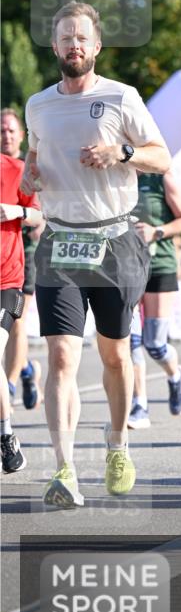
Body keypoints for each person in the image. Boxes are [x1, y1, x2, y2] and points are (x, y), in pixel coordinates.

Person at [21, 0, 170, 508]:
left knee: (114, 355)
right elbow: (35, 157)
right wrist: (28, 173)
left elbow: (161, 156)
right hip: (60, 240)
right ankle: (63, 469)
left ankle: (117, 444)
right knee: (62, 354)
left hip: (114, 241)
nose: (73, 45)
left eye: (82, 37)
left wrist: (121, 153)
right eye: (65, 37)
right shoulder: (38, 105)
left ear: (96, 46)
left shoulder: (121, 97)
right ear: (55, 45)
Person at [127, 171, 181, 430]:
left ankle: (175, 375)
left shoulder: (161, 178)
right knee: (129, 340)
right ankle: (138, 405)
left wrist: (157, 231)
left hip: (159, 265)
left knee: (154, 343)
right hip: (125, 267)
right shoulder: (114, 177)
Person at [1, 153, 42, 472]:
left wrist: (16, 211)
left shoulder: (15, 170)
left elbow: (40, 216)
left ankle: (6, 436)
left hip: (7, 280)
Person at [1, 108, 44, 409]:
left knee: (18, 324)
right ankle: (28, 370)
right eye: (1, 131)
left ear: (20, 135)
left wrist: (24, 216)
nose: (6, 136)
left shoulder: (26, 169)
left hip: (22, 256)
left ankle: (11, 384)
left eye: (11, 131)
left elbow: (43, 214)